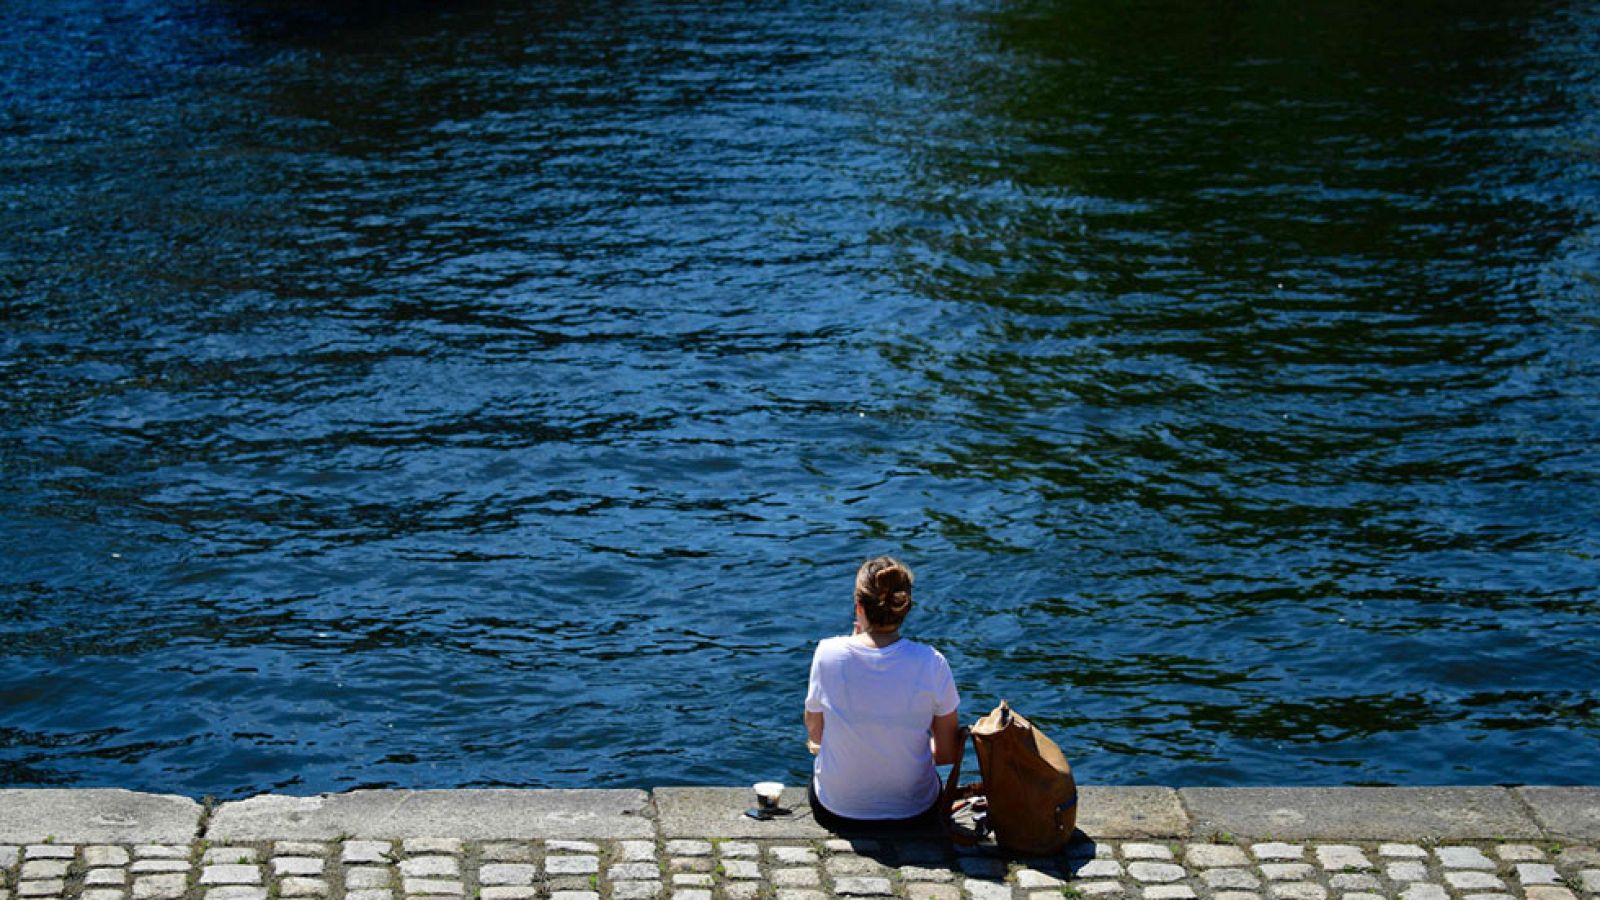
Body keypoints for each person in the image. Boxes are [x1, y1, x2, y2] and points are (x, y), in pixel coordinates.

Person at [803, 556, 963, 831]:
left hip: (838, 810)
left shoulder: (827, 653)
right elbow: (947, 753)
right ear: (904, 608)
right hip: (915, 812)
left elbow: (816, 736)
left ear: (859, 607)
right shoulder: (932, 662)